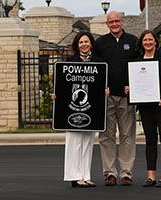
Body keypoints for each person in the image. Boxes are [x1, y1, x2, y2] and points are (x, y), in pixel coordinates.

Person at [125, 30, 161, 187]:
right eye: (145, 40)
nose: (147, 42)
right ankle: (151, 176)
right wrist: (131, 89)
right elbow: (134, 82)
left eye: (150, 39)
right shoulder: (137, 61)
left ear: (155, 41)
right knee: (150, 140)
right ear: (141, 43)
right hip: (145, 106)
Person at [93, 11, 139, 186]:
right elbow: (95, 68)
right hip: (107, 97)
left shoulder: (133, 41)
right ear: (107, 24)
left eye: (117, 21)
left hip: (127, 97)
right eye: (111, 22)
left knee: (127, 135)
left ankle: (126, 173)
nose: (114, 24)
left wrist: (134, 85)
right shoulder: (100, 43)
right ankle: (109, 173)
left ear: (122, 21)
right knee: (106, 136)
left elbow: (140, 67)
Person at [52, 31, 101, 188]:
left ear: (91, 43)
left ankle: (86, 175)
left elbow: (100, 84)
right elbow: (62, 86)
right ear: (76, 45)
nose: (84, 45)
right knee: (74, 142)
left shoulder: (98, 62)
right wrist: (56, 95)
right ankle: (74, 176)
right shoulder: (69, 62)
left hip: (91, 110)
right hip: (72, 110)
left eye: (86, 42)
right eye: (81, 42)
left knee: (87, 142)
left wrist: (104, 90)